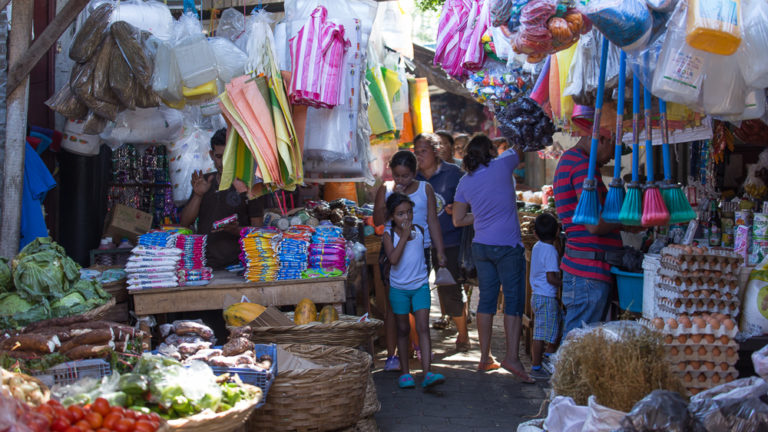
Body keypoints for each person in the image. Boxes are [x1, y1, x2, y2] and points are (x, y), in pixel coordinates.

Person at [452, 134, 535, 383]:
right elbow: (521, 146)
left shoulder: (464, 182)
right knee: (513, 302)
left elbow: (457, 220)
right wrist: (508, 135)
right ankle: (511, 357)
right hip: (508, 247)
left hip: (482, 247)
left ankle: (485, 357)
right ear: (490, 150)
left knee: (486, 301)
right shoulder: (503, 163)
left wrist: (480, 215)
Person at [374, 150, 446, 371]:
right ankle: (392, 355)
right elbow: (377, 221)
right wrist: (392, 198)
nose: (401, 180)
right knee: (393, 306)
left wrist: (440, 252)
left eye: (405, 176)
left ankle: (420, 348)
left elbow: (433, 221)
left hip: (420, 251)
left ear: (415, 173)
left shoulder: (425, 189)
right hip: (392, 250)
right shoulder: (386, 190)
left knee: (419, 303)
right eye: (397, 175)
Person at [553, 136, 622, 336]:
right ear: (602, 138)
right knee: (578, 341)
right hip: (589, 272)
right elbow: (594, 224)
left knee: (581, 340)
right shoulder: (582, 165)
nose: (613, 156)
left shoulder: (570, 160)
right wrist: (627, 221)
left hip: (585, 270)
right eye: (614, 145)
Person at [413, 133, 471, 352]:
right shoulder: (413, 176)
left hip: (450, 240)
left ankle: (463, 334)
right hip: (419, 242)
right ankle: (417, 338)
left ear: (436, 151)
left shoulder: (454, 174)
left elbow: (470, 200)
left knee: (450, 289)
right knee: (417, 288)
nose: (418, 156)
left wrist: (458, 208)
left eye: (423, 151)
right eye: (416, 152)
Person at [382, 192, 446, 389]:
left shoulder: (419, 230)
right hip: (399, 289)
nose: (406, 217)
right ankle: (405, 373)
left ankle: (427, 373)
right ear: (392, 216)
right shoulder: (388, 235)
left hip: (420, 286)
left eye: (409, 212)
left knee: (423, 328)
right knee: (402, 329)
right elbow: (393, 259)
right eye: (400, 214)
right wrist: (403, 237)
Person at [180, 128, 267, 269]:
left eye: (229, 156)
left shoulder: (250, 186)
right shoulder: (205, 182)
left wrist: (237, 230)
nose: (223, 163)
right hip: (205, 265)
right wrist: (198, 195)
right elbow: (185, 222)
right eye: (219, 157)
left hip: (238, 266)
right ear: (211, 155)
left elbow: (258, 231)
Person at [528, 213, 562, 380]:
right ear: (557, 232)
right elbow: (551, 277)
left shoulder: (537, 246)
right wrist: (563, 283)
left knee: (547, 331)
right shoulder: (551, 251)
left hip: (538, 295)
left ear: (535, 233)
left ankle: (545, 360)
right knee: (543, 334)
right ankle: (538, 365)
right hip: (546, 296)